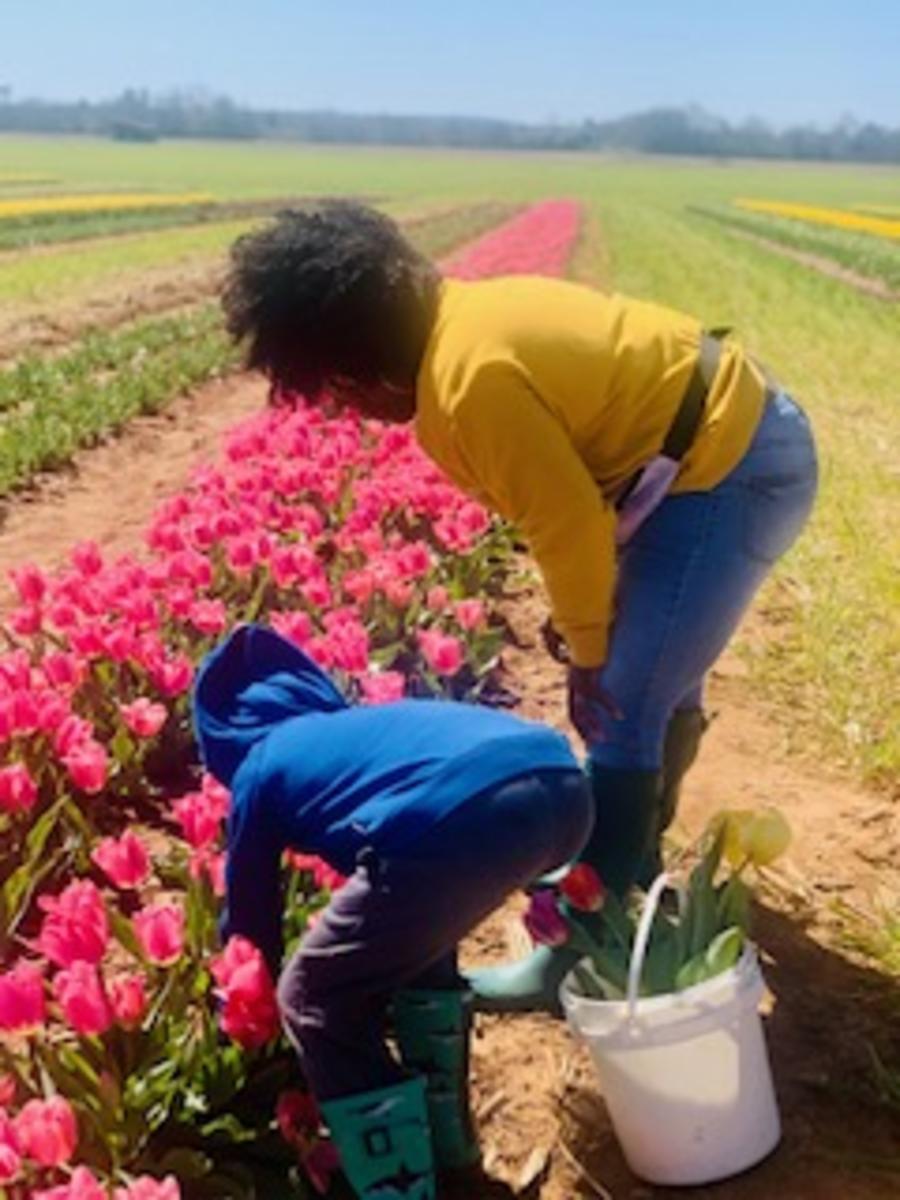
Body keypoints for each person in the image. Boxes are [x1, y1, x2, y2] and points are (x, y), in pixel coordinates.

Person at [220, 201, 819, 1011]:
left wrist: (588, 648)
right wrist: (587, 613)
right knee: (658, 678)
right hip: (696, 459)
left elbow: (565, 518)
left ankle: (577, 951)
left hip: (730, 468)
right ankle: (629, 861)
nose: (344, 411)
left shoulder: (470, 383)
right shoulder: (463, 325)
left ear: (361, 367)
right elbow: (572, 492)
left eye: (336, 391)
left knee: (620, 705)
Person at [193, 623, 593, 1200]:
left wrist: (240, 1031)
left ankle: (401, 1190)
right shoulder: (354, 732)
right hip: (562, 787)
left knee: (312, 997)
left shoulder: (260, 764)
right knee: (418, 942)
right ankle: (452, 1161)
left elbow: (248, 940)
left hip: (464, 811)